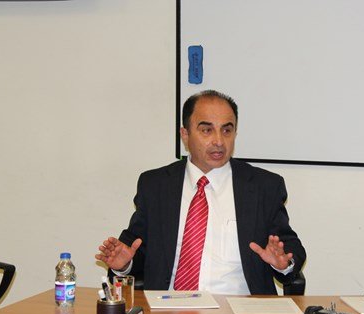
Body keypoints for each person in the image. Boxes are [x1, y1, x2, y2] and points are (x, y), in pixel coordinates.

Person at [96, 90, 305, 295]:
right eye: (207, 130)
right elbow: (136, 249)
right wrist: (125, 264)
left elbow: (290, 247)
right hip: (168, 307)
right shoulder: (155, 185)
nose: (219, 141)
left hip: (240, 308)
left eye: (227, 130)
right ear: (185, 135)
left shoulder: (263, 186)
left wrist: (283, 263)